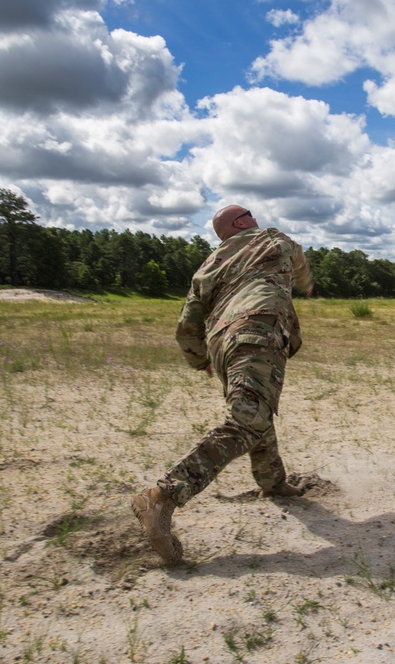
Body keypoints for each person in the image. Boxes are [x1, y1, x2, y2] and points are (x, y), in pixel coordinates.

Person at [132, 204, 314, 565]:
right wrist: (306, 284)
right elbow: (300, 263)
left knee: (254, 410)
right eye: (249, 212)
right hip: (257, 329)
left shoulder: (208, 266)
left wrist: (201, 359)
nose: (255, 216)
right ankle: (162, 495)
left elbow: (187, 323)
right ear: (241, 222)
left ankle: (272, 481)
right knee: (248, 420)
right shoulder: (270, 238)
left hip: (222, 343)